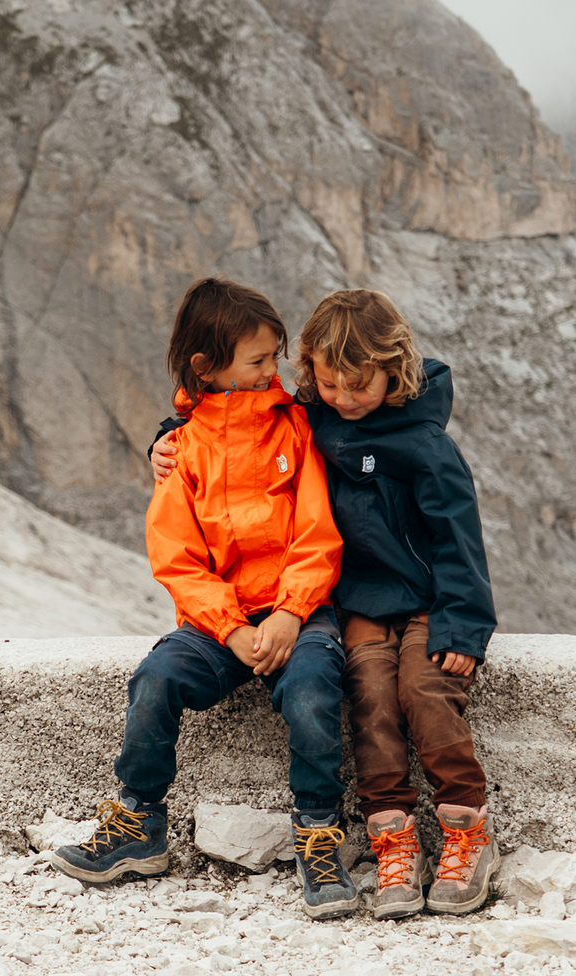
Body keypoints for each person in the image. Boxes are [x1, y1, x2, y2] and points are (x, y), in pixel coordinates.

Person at [152, 289, 499, 921]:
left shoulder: (425, 443)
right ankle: (391, 838)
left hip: (431, 604)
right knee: (370, 698)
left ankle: (466, 827)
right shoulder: (315, 418)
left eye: (358, 384)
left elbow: (459, 540)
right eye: (329, 383)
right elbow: (236, 427)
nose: (344, 398)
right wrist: (164, 440)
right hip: (359, 603)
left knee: (425, 691)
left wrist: (464, 625)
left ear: (393, 367)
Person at [55, 278, 358, 921]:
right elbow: (177, 559)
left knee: (311, 691)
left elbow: (317, 532)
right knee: (155, 680)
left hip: (299, 611)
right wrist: (231, 629)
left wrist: (290, 612)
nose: (273, 372)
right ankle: (139, 822)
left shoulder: (296, 428)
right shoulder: (183, 450)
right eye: (258, 360)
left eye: (275, 357)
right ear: (207, 367)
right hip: (217, 624)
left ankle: (318, 833)